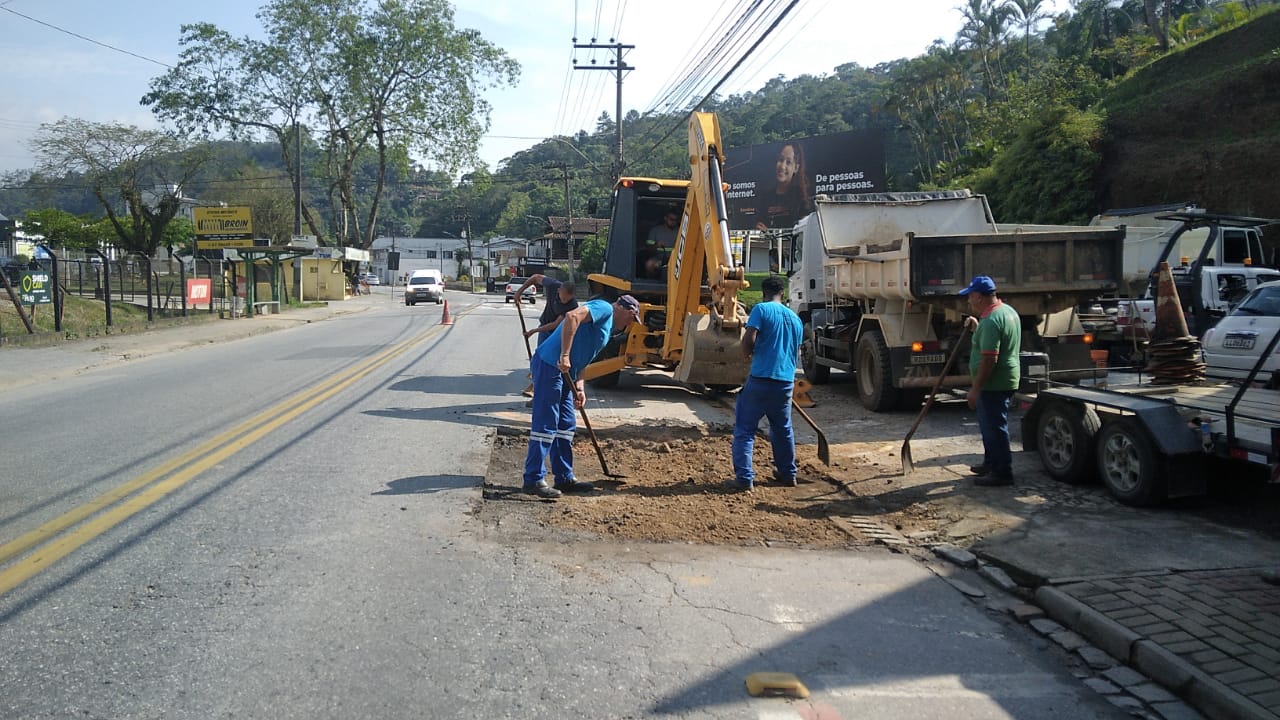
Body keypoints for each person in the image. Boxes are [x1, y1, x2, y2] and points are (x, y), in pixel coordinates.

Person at [522, 295, 642, 498]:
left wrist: (580, 386)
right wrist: (565, 354)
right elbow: (571, 317)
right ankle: (533, 479)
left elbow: (585, 355)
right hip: (551, 365)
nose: (629, 323)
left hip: (567, 373)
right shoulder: (604, 308)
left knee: (566, 424)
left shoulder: (607, 327)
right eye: (631, 317)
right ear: (624, 309)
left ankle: (564, 476)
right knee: (546, 423)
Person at [730, 275, 803, 491]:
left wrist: (745, 353)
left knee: (745, 429)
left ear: (764, 292)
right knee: (782, 429)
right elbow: (794, 351)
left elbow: (750, 336)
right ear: (783, 294)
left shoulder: (761, 310)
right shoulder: (796, 319)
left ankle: (744, 479)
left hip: (761, 380)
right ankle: (788, 474)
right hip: (785, 384)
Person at [961, 275, 1021, 487]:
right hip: (1005, 378)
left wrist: (975, 389)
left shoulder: (992, 321)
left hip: (994, 383)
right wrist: (977, 327)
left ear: (978, 296)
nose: (968, 300)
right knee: (989, 426)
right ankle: (990, 463)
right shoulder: (1006, 312)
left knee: (995, 427)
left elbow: (990, 358)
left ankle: (1002, 472)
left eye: (970, 296)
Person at [754, 141, 811, 231]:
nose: (782, 166)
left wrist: (770, 234)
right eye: (781, 160)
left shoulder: (801, 200)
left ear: (796, 168)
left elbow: (801, 235)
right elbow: (759, 226)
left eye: (788, 162)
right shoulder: (765, 197)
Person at [517, 274, 578, 347]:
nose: (564, 302)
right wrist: (519, 292)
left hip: (558, 332)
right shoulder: (553, 285)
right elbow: (535, 278)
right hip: (544, 326)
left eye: (568, 299)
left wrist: (534, 330)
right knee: (540, 354)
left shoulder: (573, 305)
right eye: (563, 298)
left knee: (552, 355)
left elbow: (555, 324)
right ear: (558, 290)